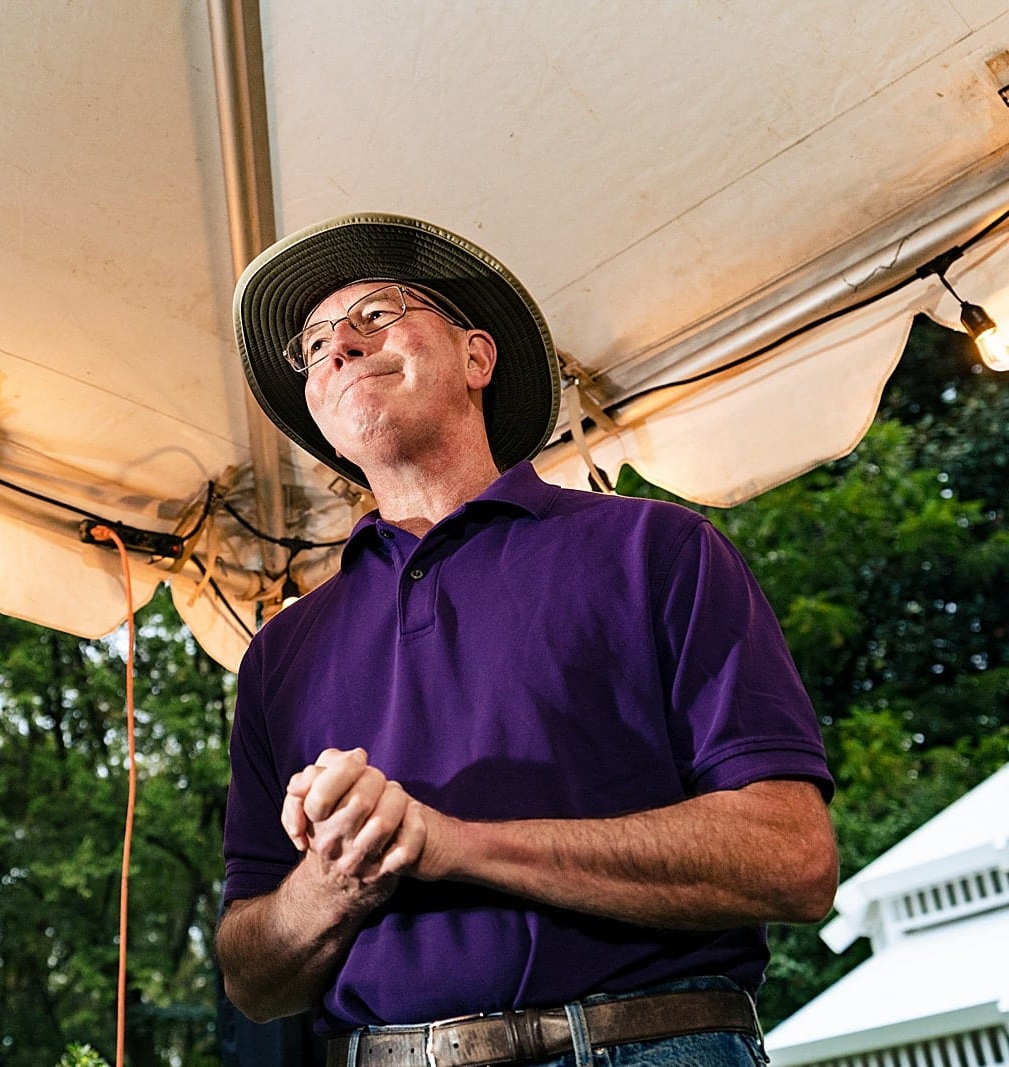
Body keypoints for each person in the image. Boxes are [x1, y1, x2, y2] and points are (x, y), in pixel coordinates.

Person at [216, 213, 839, 1067]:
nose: (341, 346)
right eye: (316, 343)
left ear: (477, 357)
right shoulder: (279, 655)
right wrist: (336, 875)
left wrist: (451, 842)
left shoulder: (655, 549)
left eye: (376, 313)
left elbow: (790, 856)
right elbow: (252, 979)